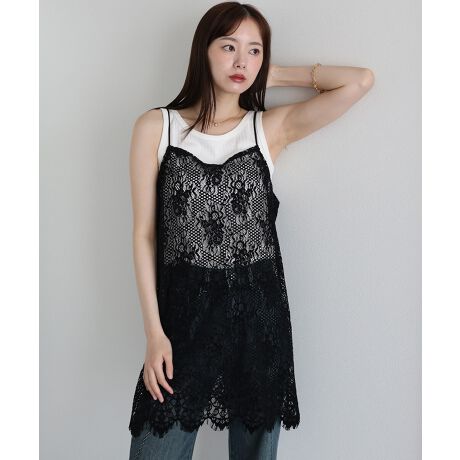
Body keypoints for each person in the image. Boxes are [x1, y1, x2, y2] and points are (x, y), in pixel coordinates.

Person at [127, 2, 375, 459]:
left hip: (258, 321)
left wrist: (272, 76)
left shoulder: (268, 128)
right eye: (229, 47)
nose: (241, 60)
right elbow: (144, 235)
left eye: (254, 50)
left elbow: (359, 81)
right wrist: (154, 333)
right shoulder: (156, 127)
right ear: (203, 51)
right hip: (182, 325)